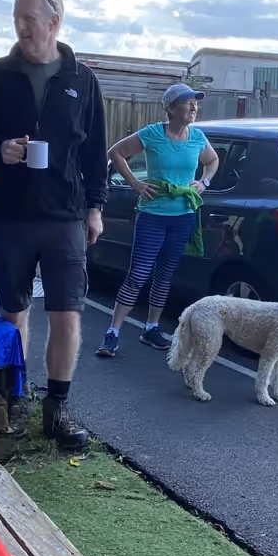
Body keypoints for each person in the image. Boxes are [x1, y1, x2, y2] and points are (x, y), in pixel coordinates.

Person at [0, 0, 108, 453]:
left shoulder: (82, 80)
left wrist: (95, 208)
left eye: (30, 19)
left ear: (54, 21)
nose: (22, 27)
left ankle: (57, 408)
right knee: (14, 311)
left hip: (65, 214)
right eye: (17, 19)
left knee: (67, 315)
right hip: (10, 212)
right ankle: (18, 401)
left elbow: (96, 153)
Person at [97, 84, 219, 357]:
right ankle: (113, 332)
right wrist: (135, 183)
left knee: (164, 275)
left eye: (195, 103)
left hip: (184, 215)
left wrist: (204, 182)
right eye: (188, 102)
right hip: (153, 214)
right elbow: (115, 152)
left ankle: (151, 327)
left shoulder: (197, 137)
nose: (193, 107)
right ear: (171, 107)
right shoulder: (153, 133)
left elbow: (212, 161)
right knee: (138, 274)